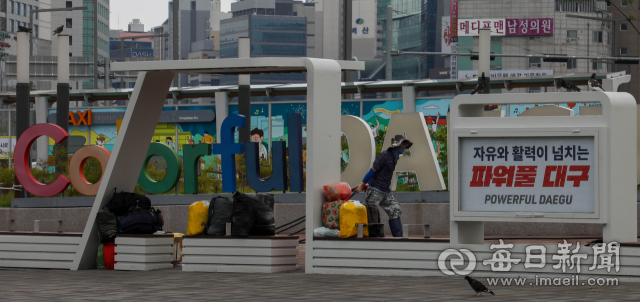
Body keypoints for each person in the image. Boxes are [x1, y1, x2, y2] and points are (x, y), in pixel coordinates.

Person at [354, 134, 413, 237]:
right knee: (371, 214)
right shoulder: (385, 155)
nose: (404, 146)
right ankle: (372, 240)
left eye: (405, 144)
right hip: (375, 190)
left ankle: (399, 239)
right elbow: (372, 171)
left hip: (386, 191)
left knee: (395, 210)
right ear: (397, 144)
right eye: (403, 143)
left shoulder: (396, 157)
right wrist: (362, 185)